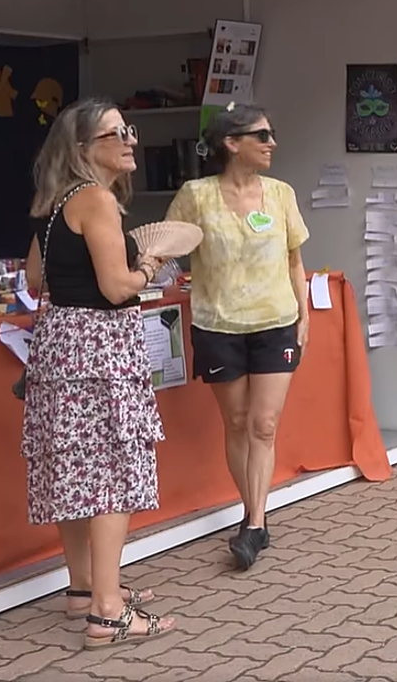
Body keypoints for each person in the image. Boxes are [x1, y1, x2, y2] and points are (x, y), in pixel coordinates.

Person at [23, 97, 175, 647]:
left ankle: (83, 589)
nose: (130, 139)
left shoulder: (55, 200)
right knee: (112, 473)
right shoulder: (99, 200)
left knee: (73, 467)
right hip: (100, 347)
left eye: (129, 129)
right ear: (84, 148)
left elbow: (36, 281)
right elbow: (116, 288)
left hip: (59, 345)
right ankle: (108, 612)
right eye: (117, 133)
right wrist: (147, 268)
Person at [166, 104, 310, 571]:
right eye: (262, 135)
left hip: (275, 321)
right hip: (217, 324)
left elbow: (294, 260)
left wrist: (304, 314)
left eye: (272, 134)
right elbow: (167, 248)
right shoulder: (195, 195)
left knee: (264, 425)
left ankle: (253, 522)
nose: (272, 143)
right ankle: (256, 517)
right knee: (236, 422)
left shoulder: (282, 194)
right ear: (231, 143)